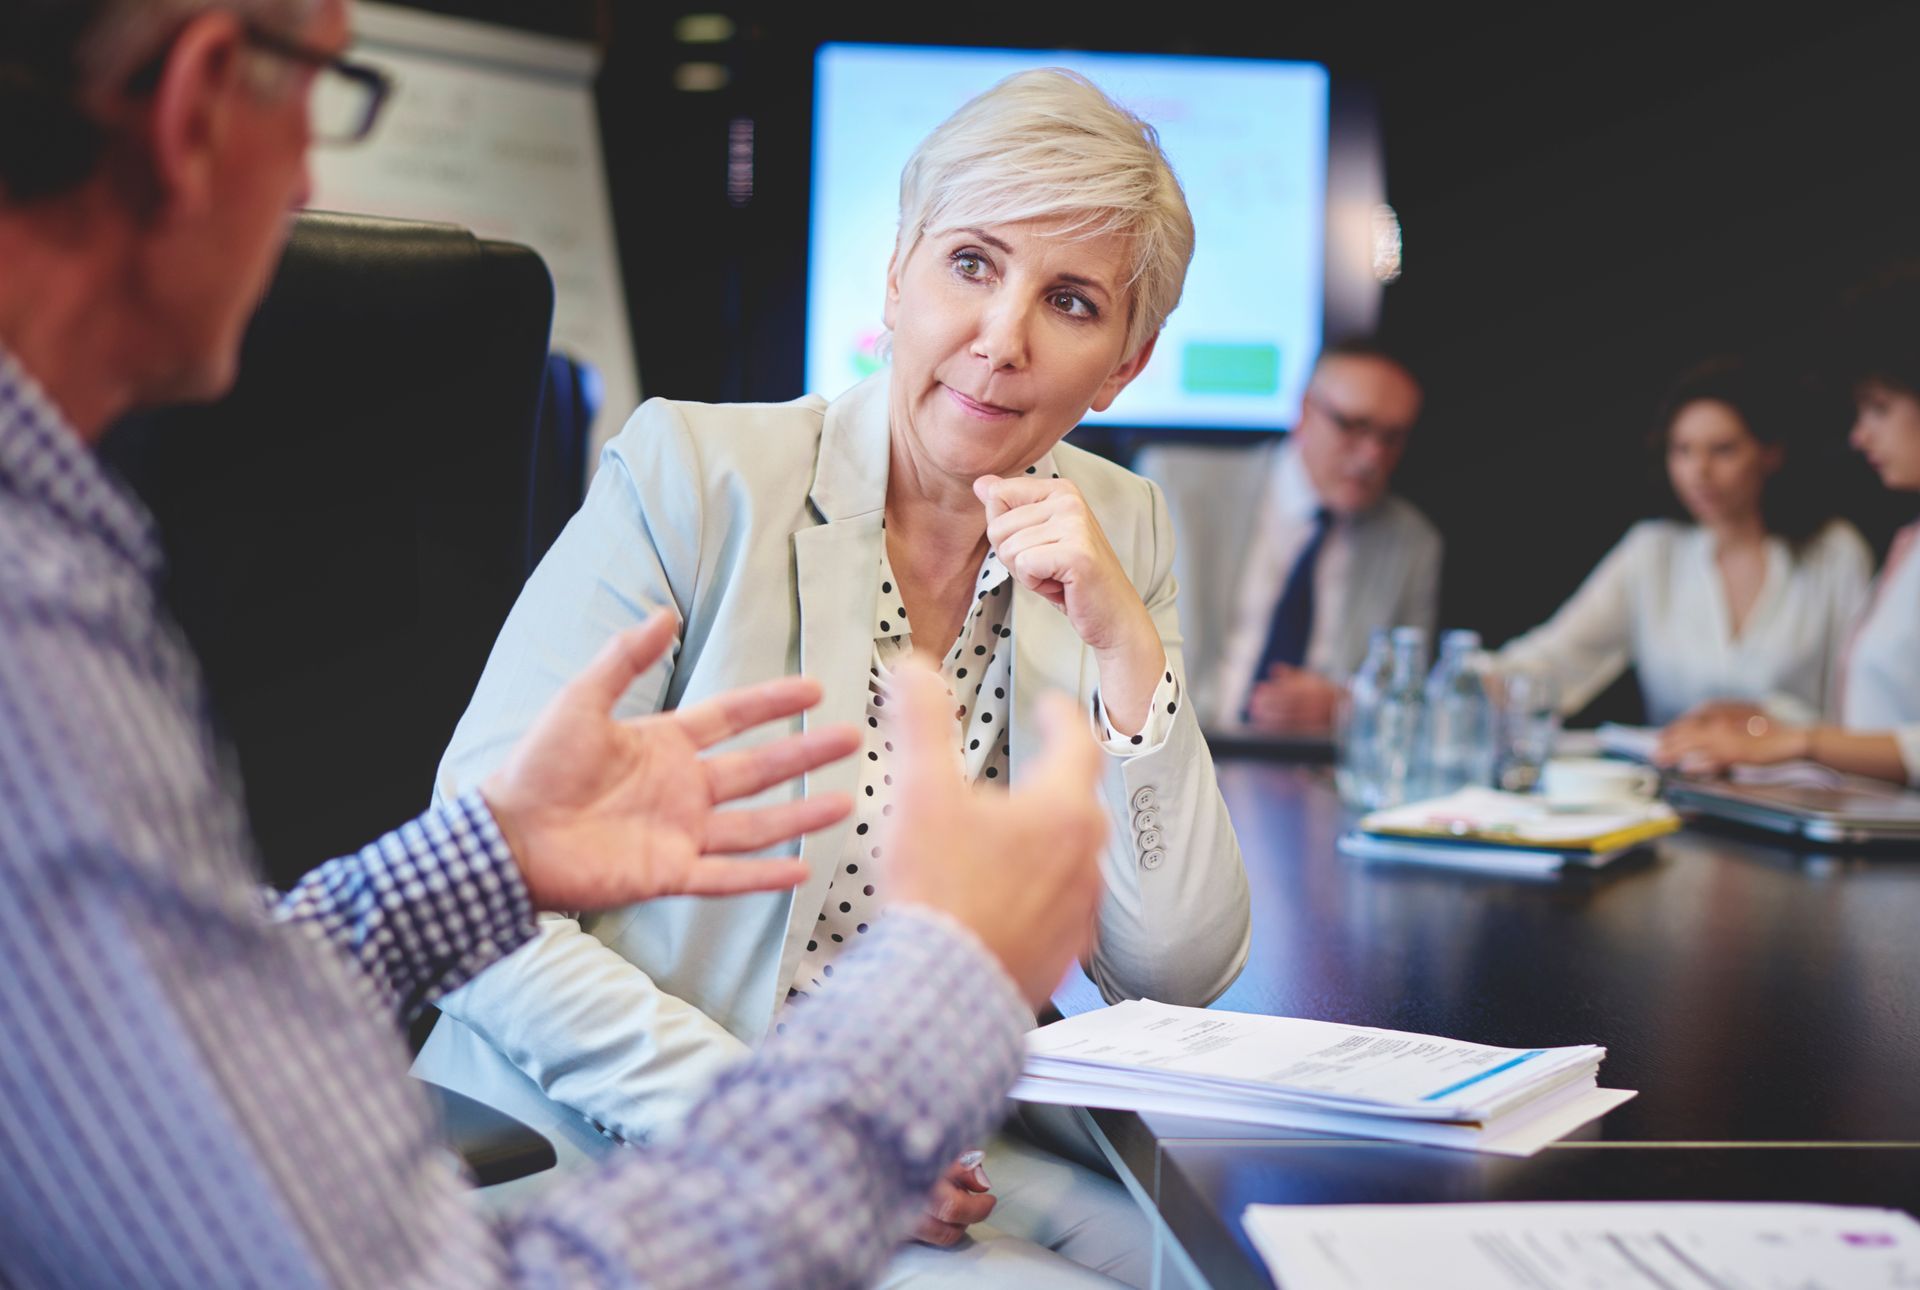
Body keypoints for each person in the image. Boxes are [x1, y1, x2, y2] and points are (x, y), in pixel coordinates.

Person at [0, 2, 1115, 1286]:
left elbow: (141, 1002)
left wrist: (478, 866)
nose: (311, 178)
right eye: (323, 88)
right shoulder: (38, 636)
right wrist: (934, 1006)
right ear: (199, 103)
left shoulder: (61, 563)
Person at [414, 67, 1251, 1287]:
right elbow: (473, 902)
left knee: (1226, 1266)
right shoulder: (692, 475)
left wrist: (1130, 645)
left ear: (1122, 365)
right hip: (630, 1135)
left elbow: (1174, 973)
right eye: (971, 263)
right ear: (898, 274)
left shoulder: (1122, 526)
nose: (1001, 339)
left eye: (1069, 301)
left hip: (941, 1150)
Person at [1496, 358, 1871, 726]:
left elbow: (1863, 704)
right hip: (1678, 779)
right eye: (1683, 450)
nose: (1699, 472)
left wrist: (1768, 725)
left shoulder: (1833, 553)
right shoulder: (1654, 551)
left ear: (1770, 453)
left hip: (1803, 783)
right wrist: (1468, 675)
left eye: (1723, 450)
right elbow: (1557, 658)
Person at [1658, 283, 1920, 785]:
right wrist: (1764, 723)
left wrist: (1801, 741)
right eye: (1683, 450)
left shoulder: (1834, 552)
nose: (1860, 435)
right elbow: (1869, 724)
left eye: (1880, 409)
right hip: (1865, 825)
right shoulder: (1907, 544)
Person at [1133, 337, 1437, 734]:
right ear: (1305, 410)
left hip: (1317, 767)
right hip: (1187, 748)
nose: (1371, 457)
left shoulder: (1410, 543)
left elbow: (1412, 699)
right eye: (1353, 427)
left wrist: (1346, 705)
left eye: (1390, 437)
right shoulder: (1179, 486)